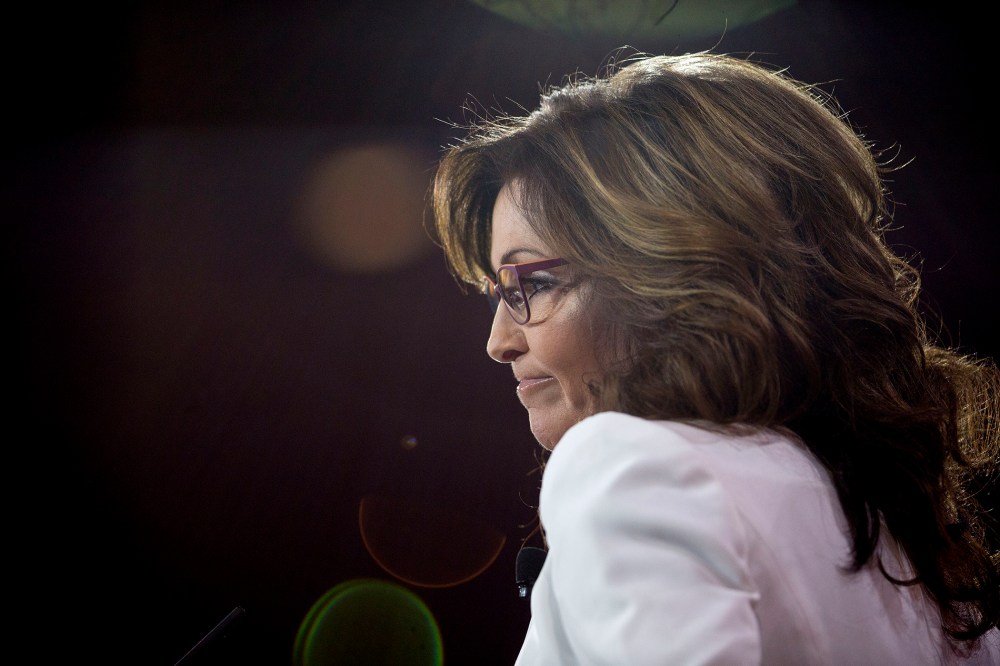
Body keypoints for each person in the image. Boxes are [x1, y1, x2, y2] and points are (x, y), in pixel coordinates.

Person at [432, 51, 1000, 664]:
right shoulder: (917, 553)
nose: (498, 342)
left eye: (533, 284)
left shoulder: (634, 468)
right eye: (498, 292)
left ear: (673, 272)